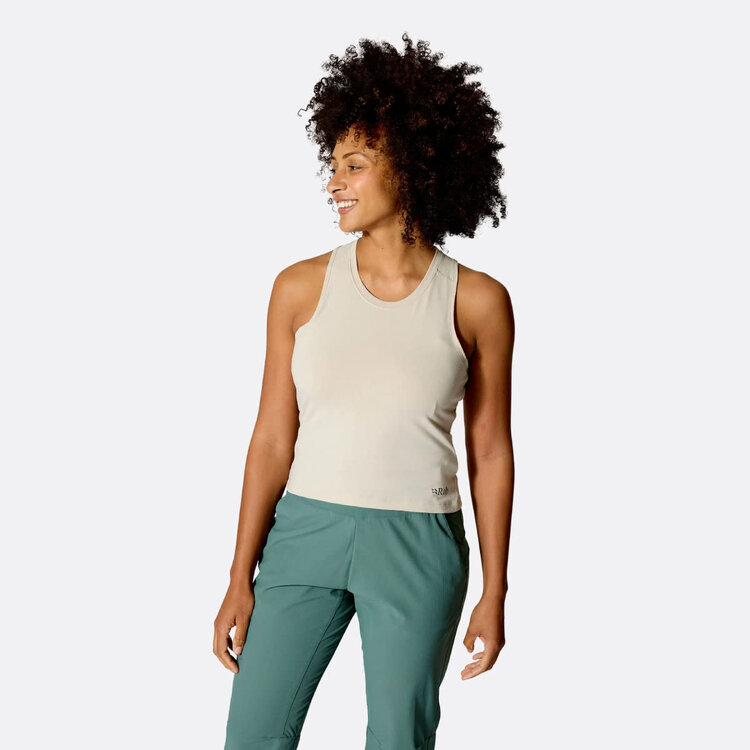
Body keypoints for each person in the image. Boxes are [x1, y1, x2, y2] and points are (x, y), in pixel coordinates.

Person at [215, 33, 514, 750]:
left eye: (354, 165)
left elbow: (490, 452)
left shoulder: (478, 301)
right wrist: (239, 574)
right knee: (253, 734)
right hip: (303, 534)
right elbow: (272, 438)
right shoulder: (298, 289)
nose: (334, 183)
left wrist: (496, 590)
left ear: (412, 162)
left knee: (399, 738)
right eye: (333, 165)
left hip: (418, 541)